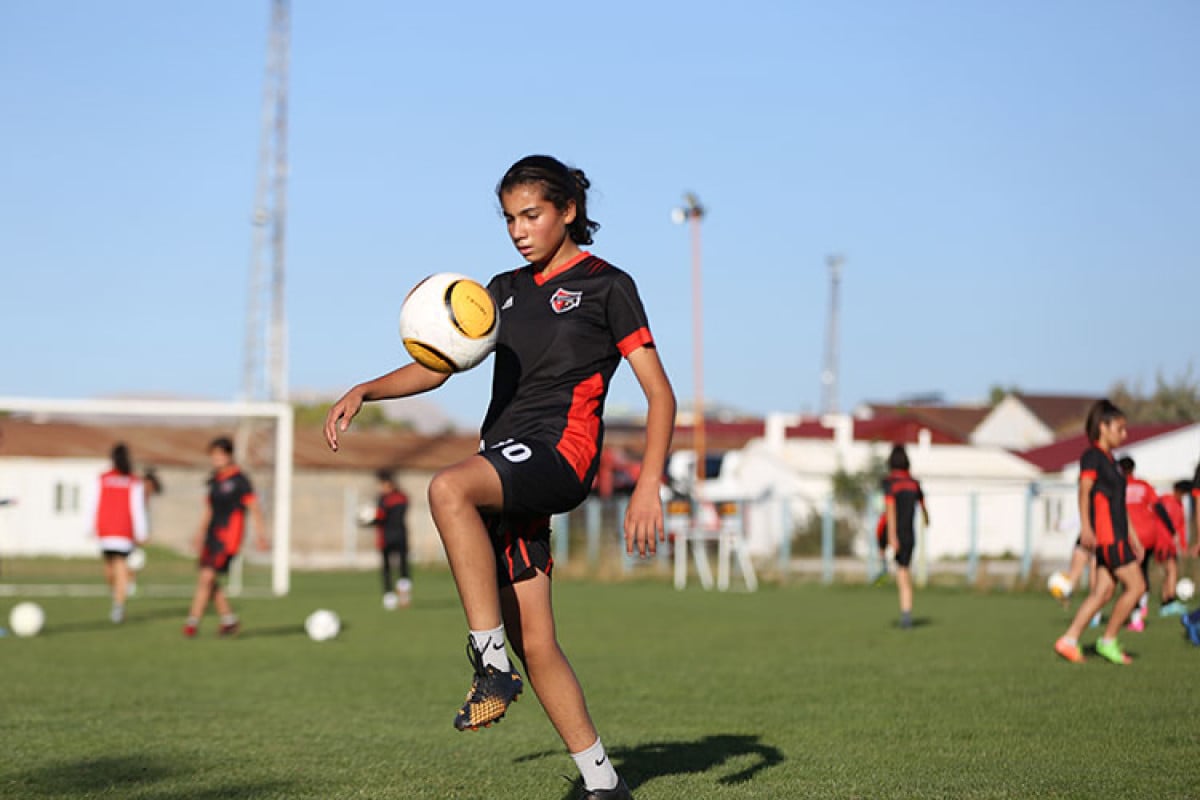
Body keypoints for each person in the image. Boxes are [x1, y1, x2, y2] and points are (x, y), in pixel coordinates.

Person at [324, 155, 675, 800]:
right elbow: (440, 365)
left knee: (448, 488)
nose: (518, 230)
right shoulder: (501, 290)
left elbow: (660, 394)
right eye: (510, 218)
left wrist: (648, 485)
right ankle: (603, 782)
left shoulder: (607, 286)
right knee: (536, 643)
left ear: (568, 210)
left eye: (531, 215)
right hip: (509, 463)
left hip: (560, 454)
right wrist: (367, 389)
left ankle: (489, 665)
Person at [1054, 400, 1146, 665]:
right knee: (1137, 587)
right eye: (1119, 428)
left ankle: (1068, 640)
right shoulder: (1092, 456)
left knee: (1103, 592)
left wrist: (1134, 537)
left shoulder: (1112, 461)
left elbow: (1119, 504)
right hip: (1109, 536)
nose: (1124, 434)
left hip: (1118, 535)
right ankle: (1108, 641)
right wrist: (1086, 527)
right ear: (1103, 427)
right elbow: (1084, 491)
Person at [183, 437, 268, 638]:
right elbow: (209, 510)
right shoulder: (215, 480)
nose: (216, 459)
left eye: (220, 455)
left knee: (207, 577)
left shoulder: (240, 480)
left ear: (229, 455)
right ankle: (229, 620)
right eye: (213, 455)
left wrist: (261, 535)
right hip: (212, 535)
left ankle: (192, 623)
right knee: (208, 579)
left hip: (228, 537)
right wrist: (199, 533)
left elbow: (254, 508)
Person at [89, 443, 148, 623]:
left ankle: (118, 605)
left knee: (116, 567)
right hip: (114, 529)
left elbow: (136, 507)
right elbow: (95, 502)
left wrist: (141, 531)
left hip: (115, 529)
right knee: (113, 569)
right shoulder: (111, 478)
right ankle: (118, 600)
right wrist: (142, 532)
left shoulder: (125, 480)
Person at [881, 444, 929, 628]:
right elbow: (923, 506)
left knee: (902, 573)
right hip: (910, 535)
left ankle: (906, 615)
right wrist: (927, 519)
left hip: (898, 534)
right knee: (905, 570)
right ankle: (907, 612)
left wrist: (891, 536)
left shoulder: (890, 483)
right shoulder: (914, 483)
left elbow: (890, 509)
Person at [365, 469, 412, 609]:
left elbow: (388, 516)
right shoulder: (381, 498)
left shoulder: (399, 498)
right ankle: (389, 596)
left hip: (398, 536)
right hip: (384, 537)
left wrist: (375, 518)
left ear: (389, 483)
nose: (380, 487)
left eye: (382, 484)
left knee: (402, 565)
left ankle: (404, 594)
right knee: (386, 567)